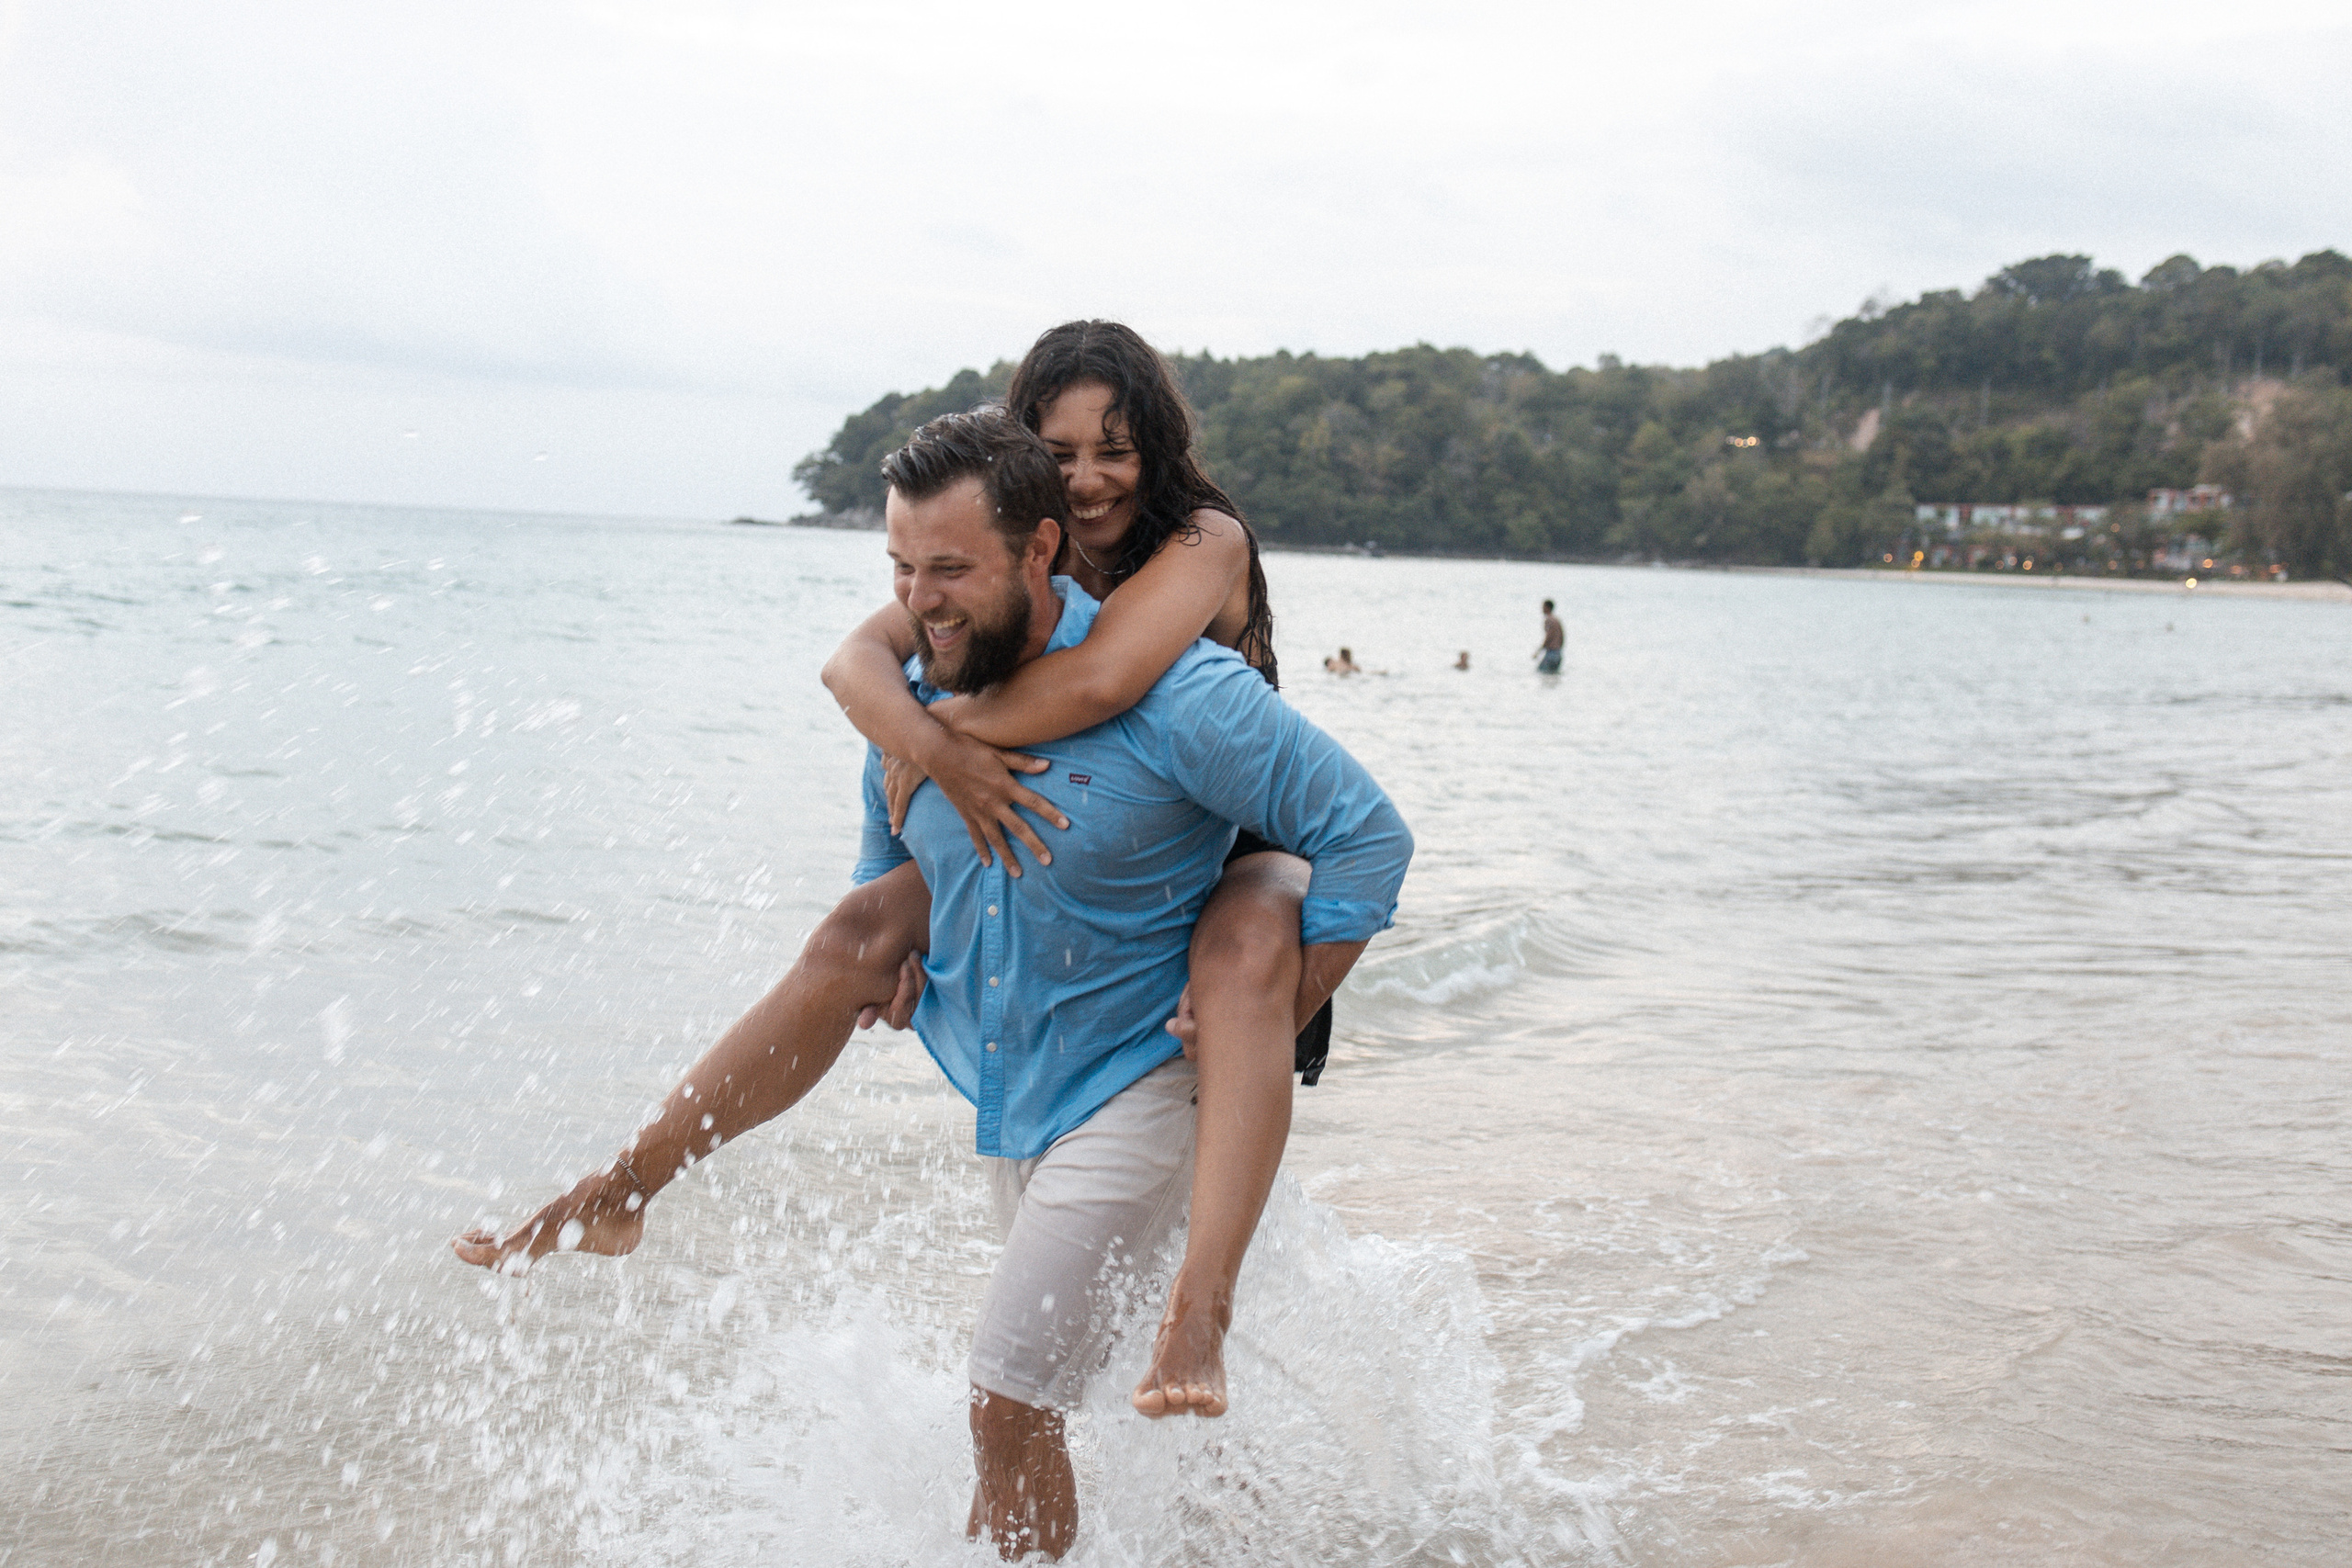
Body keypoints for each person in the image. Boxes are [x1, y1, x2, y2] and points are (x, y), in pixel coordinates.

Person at [457, 412, 1412, 1559]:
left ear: (1041, 551)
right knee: (1052, 1402)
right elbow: (889, 870)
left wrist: (1266, 1015)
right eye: (902, 570)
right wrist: (905, 961)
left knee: (1006, 1403)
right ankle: (626, 1185)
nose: (924, 598)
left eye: (951, 568)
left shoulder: (1186, 700)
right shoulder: (908, 702)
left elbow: (1366, 837)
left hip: (1144, 1086)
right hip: (1018, 1097)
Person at [1533, 598, 1564, 673]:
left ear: (1547, 608)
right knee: (1553, 676)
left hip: (1551, 653)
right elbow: (1562, 636)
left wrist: (1539, 651)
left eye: (1543, 607)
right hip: (1558, 653)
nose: (1542, 609)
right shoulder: (1556, 620)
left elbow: (1549, 636)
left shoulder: (1548, 620)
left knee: (1541, 672)